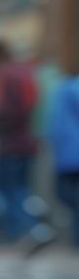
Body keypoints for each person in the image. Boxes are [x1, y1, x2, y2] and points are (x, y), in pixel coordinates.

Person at [0, 40, 55, 253]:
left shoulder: (6, 76)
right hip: (27, 141)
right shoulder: (23, 73)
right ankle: (33, 230)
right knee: (20, 189)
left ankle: (34, 229)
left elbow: (10, 111)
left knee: (6, 190)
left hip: (11, 144)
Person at [49, 70, 79, 248]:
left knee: (68, 195)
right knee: (65, 194)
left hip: (71, 151)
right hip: (67, 151)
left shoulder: (70, 88)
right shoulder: (66, 87)